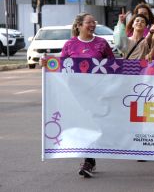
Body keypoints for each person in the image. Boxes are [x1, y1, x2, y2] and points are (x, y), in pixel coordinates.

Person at [42, 13, 115, 178]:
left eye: (93, 22)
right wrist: (47, 63)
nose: (92, 25)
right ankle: (89, 160)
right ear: (79, 26)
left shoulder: (102, 44)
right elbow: (61, 67)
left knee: (95, 125)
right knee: (84, 125)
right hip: (77, 93)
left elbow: (113, 65)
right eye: (89, 22)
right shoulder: (70, 44)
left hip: (97, 92)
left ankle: (91, 159)